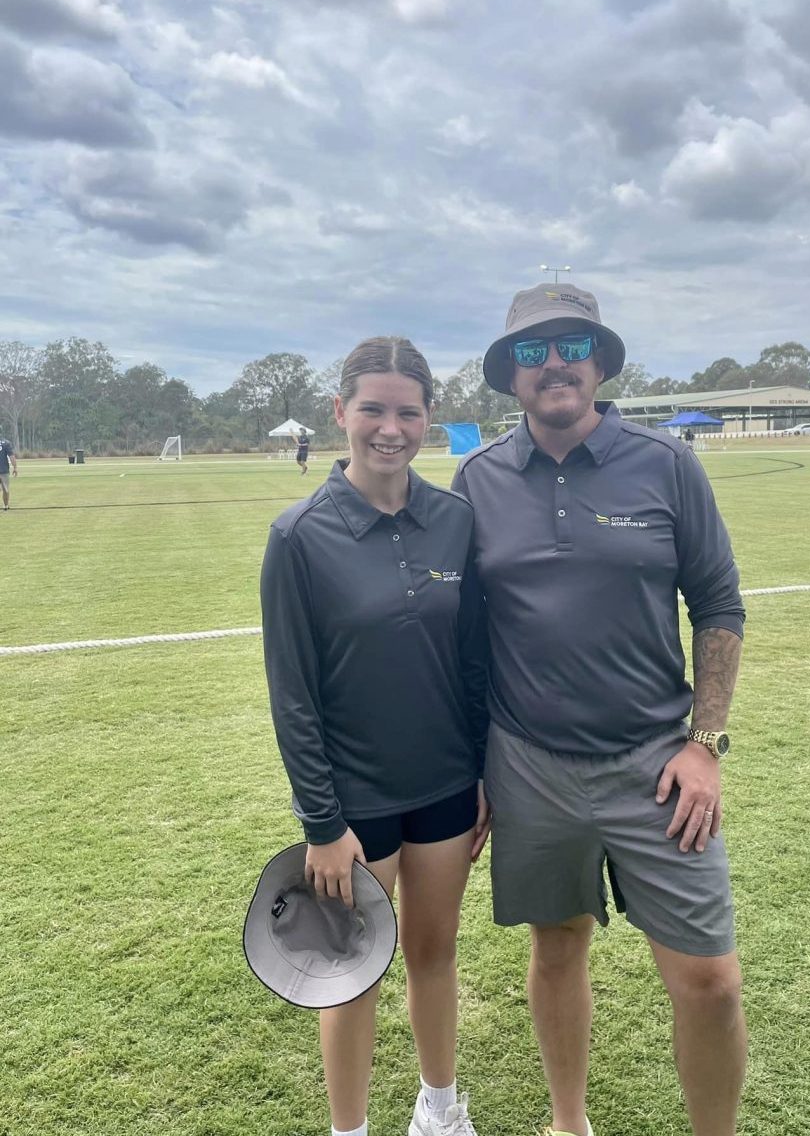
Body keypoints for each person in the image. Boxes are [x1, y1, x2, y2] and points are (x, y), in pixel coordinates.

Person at [452, 283, 747, 1136]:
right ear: (510, 375)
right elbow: (465, 638)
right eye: (535, 351)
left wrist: (705, 742)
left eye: (572, 347)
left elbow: (718, 605)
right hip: (528, 763)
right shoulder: (476, 481)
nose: (554, 365)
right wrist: (474, 768)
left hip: (656, 764)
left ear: (599, 363)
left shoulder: (664, 464)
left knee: (710, 982)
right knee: (557, 946)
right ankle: (567, 1122)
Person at [261, 337, 489, 1136]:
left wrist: (484, 772)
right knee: (350, 975)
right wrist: (322, 826)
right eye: (372, 410)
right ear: (340, 413)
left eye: (407, 412)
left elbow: (471, 663)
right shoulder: (298, 537)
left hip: (447, 791)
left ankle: (439, 1110)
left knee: (435, 954)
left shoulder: (455, 520)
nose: (389, 429)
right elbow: (293, 697)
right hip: (353, 807)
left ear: (428, 419)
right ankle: (349, 1130)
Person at [0, 433, 17, 511]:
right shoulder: (6, 443)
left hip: (4, 470)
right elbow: (11, 456)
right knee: (5, 490)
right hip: (4, 470)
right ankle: (6, 506)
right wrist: (15, 467)